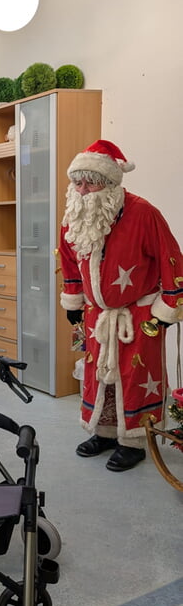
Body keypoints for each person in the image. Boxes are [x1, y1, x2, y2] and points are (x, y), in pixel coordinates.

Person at [58, 139, 183, 471]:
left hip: (139, 314)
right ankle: (104, 432)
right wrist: (73, 298)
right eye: (77, 182)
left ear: (110, 183)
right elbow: (69, 259)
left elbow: (172, 258)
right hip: (96, 314)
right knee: (98, 375)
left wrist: (168, 308)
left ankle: (134, 441)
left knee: (134, 375)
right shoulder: (74, 215)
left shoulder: (144, 213)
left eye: (91, 183)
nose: (83, 190)